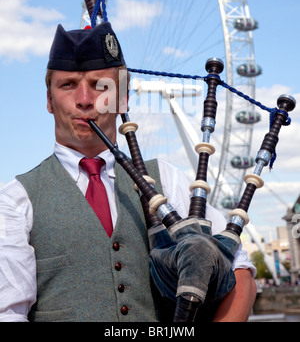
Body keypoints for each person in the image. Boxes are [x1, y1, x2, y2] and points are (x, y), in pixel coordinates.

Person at [0, 21, 256, 322]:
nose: (84, 99)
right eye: (68, 85)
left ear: (122, 100)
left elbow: (239, 270)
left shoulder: (166, 179)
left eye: (100, 86)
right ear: (49, 100)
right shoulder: (15, 201)